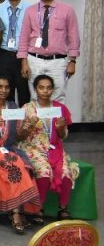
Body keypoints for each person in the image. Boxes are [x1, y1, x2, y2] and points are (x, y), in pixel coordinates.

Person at [0, 75, 40, 234]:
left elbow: (19, 137)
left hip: (9, 148)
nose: (3, 90)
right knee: (10, 167)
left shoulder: (14, 108)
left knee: (22, 165)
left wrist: (28, 127)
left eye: (6, 87)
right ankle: (15, 213)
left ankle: (16, 211)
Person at [20, 74, 79, 223]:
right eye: (41, 88)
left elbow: (63, 136)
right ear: (35, 89)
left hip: (55, 149)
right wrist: (29, 126)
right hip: (33, 148)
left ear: (52, 90)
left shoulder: (60, 108)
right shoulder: (27, 108)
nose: (45, 91)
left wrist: (60, 128)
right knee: (44, 172)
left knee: (65, 172)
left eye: (48, 88)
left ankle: (63, 208)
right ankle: (38, 208)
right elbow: (19, 136)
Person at [18, 0, 80, 103]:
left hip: (58, 62)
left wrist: (72, 61)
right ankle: (38, 118)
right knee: (35, 97)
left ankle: (55, 118)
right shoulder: (30, 11)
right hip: (34, 60)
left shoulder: (67, 10)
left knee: (58, 97)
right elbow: (24, 37)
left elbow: (74, 37)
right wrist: (24, 62)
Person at [0, 0, 31, 105]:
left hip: (23, 55)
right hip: (3, 55)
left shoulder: (30, 9)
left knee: (24, 91)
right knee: (4, 90)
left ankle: (25, 117)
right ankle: (7, 117)